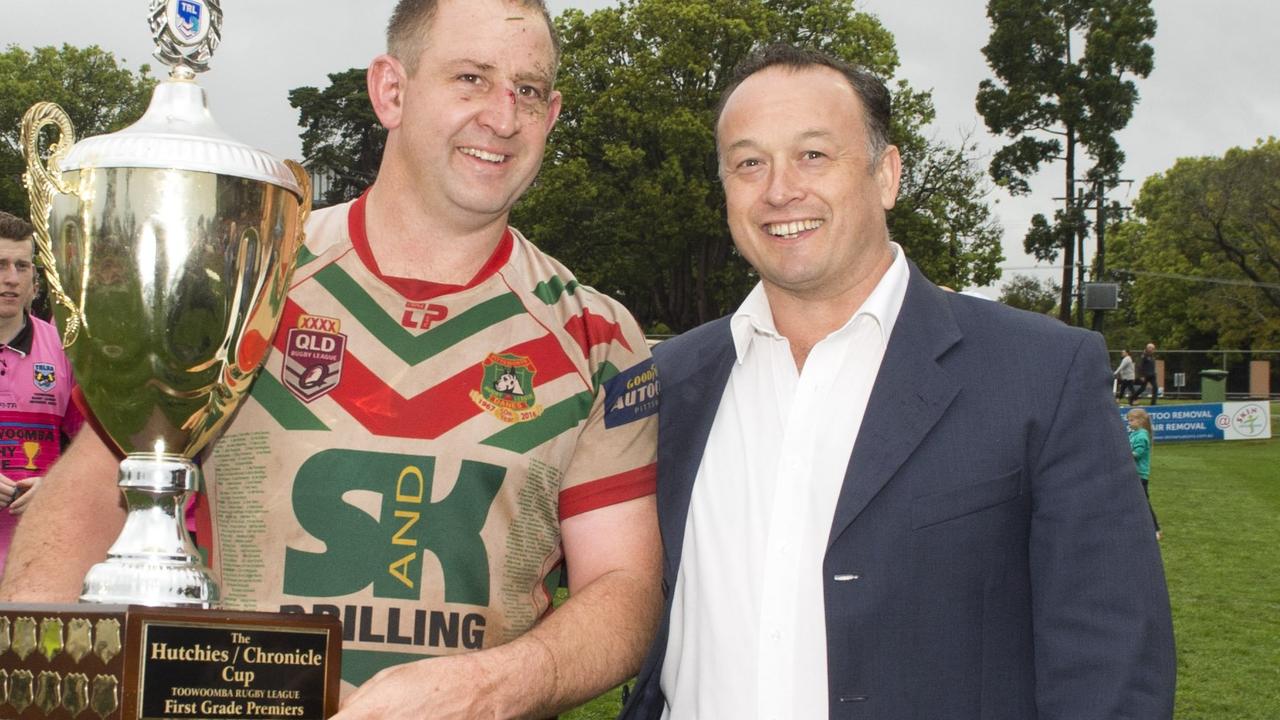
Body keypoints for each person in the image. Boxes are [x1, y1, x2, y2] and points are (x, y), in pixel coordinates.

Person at [0, 2, 662, 718]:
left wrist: (492, 688)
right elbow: (96, 493)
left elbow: (623, 588)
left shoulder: (596, 335)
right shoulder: (247, 277)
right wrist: (33, 689)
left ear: (552, 112)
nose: (502, 117)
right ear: (391, 91)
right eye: (470, 79)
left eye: (528, 91)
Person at [621, 45, 1174, 719]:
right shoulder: (668, 384)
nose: (779, 189)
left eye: (813, 155)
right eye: (748, 163)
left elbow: (1112, 668)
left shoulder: (1041, 376)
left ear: (886, 175)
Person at [0, 211, 84, 572]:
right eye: (1, 265)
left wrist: (55, 485)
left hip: (37, 557)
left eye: (22, 265)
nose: (11, 279)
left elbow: (93, 448)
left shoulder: (63, 347)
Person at [1127, 407, 1162, 540]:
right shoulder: (1134, 434)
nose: (1129, 423)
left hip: (1140, 474)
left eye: (1131, 420)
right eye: (1128, 420)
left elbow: (1138, 453)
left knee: (1144, 503)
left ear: (1140, 421)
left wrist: (1124, 455)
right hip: (1133, 473)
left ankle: (1155, 529)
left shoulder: (1142, 435)